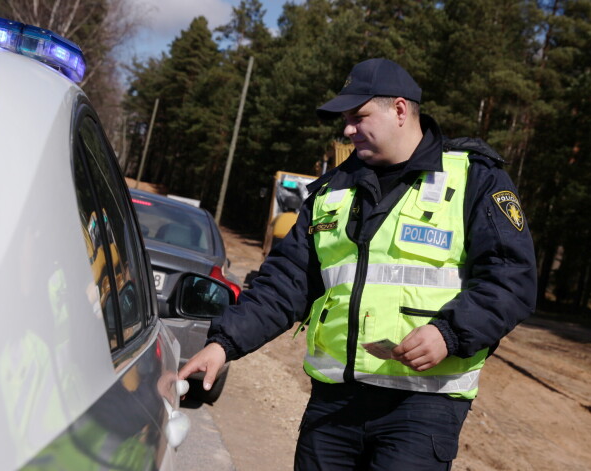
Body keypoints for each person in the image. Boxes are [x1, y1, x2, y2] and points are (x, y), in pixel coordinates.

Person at [179, 58, 537, 470]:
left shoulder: (475, 179)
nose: (347, 129)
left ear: (400, 110)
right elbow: (285, 283)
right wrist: (223, 344)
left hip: (421, 409)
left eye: (359, 116)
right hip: (334, 405)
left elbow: (512, 279)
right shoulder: (333, 190)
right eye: (345, 119)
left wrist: (449, 333)